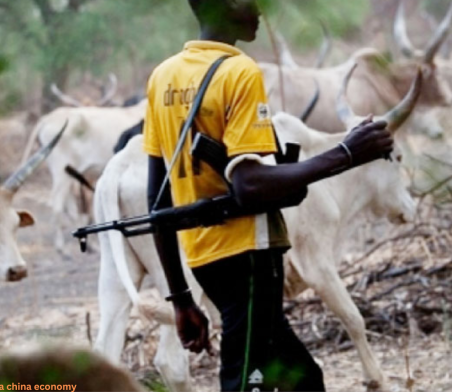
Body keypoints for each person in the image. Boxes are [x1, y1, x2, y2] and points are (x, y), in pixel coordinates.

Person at [142, 0, 395, 390]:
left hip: (204, 259)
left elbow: (158, 204)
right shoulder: (240, 72)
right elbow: (249, 183)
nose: (259, 9)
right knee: (245, 380)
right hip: (249, 256)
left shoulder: (163, 76)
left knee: (304, 379)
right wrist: (347, 153)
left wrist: (180, 299)